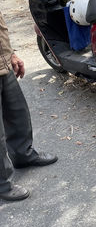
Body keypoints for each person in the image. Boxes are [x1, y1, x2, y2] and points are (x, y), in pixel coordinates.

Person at [0, 11, 58, 201]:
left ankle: (22, 155)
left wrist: (11, 54)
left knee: (17, 112)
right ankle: (2, 183)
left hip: (2, 64)